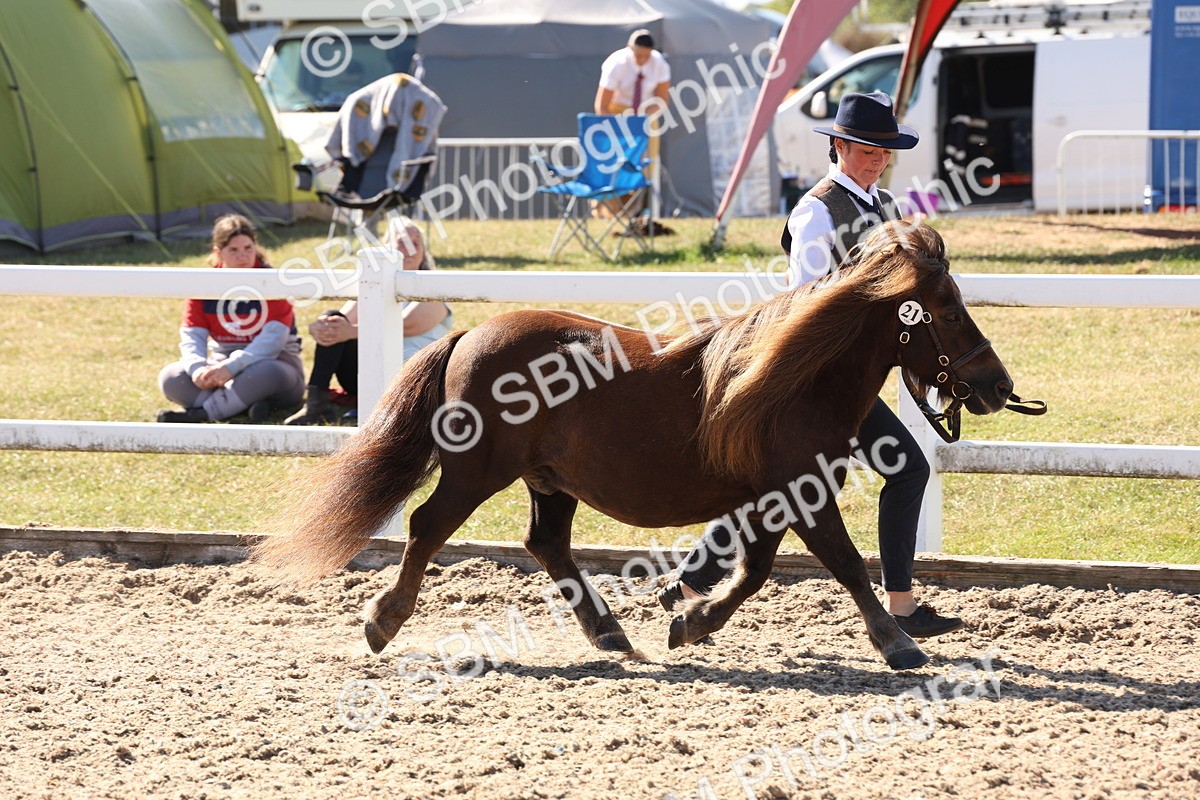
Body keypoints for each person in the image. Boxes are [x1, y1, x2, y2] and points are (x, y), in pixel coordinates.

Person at [658, 91, 963, 640]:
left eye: (884, 151)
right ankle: (898, 607)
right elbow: (807, 296)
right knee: (814, 479)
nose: (877, 159)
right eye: (868, 149)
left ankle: (690, 584)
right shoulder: (817, 208)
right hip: (814, 380)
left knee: (787, 484)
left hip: (851, 380)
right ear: (839, 146)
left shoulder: (885, 207)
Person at [285, 218, 453, 426]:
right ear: (386, 248)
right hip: (369, 376)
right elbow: (344, 320)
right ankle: (316, 404)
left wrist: (350, 332)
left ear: (423, 251)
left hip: (416, 380)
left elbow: (409, 323)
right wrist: (321, 326)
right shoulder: (373, 284)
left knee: (340, 326)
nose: (408, 248)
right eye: (400, 242)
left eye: (415, 243)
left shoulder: (433, 286)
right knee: (333, 318)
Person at [157, 215, 304, 423]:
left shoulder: (273, 281)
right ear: (218, 252)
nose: (243, 256)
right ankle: (239, 406)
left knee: (264, 373)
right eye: (233, 250)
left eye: (248, 248)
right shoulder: (204, 285)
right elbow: (192, 336)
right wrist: (197, 369)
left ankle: (204, 413)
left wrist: (232, 367)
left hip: (274, 366)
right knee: (171, 378)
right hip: (220, 368)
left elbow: (272, 342)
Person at [594, 29, 670, 117]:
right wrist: (613, 125)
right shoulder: (616, 64)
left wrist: (645, 117)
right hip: (617, 112)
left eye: (646, 56)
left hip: (647, 111)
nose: (642, 60)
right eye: (638, 56)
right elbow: (602, 106)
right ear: (629, 48)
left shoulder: (660, 64)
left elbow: (662, 99)